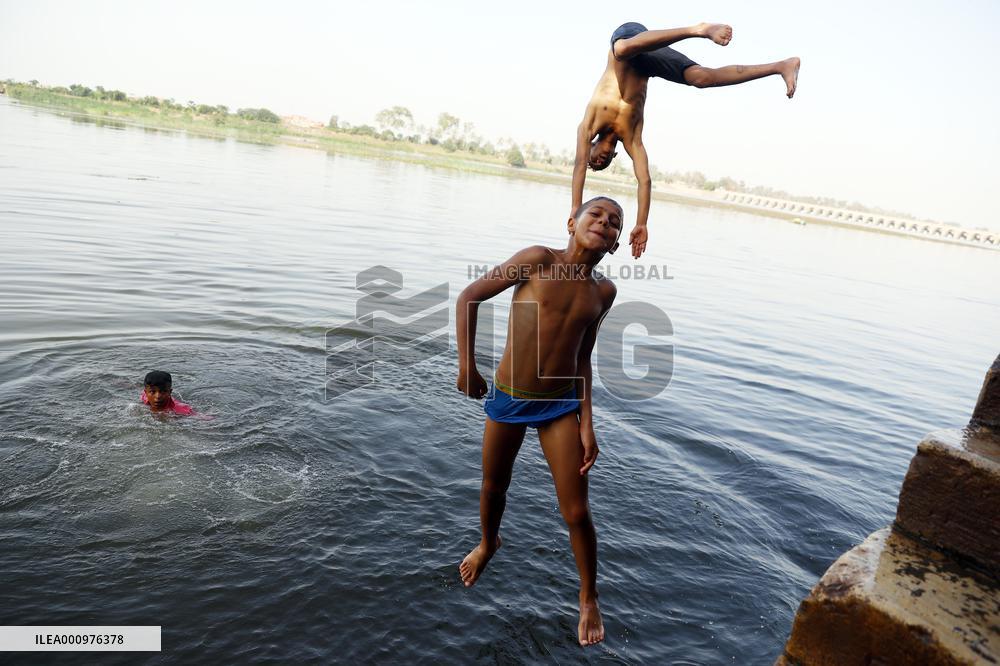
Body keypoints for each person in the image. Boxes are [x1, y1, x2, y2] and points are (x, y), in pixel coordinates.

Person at [455, 196, 622, 647]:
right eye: (596, 215)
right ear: (572, 222)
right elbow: (470, 296)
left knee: (577, 511)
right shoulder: (537, 261)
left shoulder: (602, 292)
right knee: (494, 487)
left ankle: (589, 596)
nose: (604, 224)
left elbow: (583, 357)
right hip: (510, 398)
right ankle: (489, 543)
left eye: (614, 223)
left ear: (616, 243)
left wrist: (588, 422)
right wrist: (466, 366)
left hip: (559, 407)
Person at [573, 21, 801, 259]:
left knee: (620, 51)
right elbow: (645, 180)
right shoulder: (631, 137)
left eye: (595, 160)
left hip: (630, 40)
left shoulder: (588, 125)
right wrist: (642, 223)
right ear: (614, 155)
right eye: (603, 164)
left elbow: (579, 166)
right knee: (701, 77)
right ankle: (780, 66)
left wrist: (576, 209)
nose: (599, 161)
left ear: (591, 145)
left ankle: (698, 30)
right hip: (648, 60)